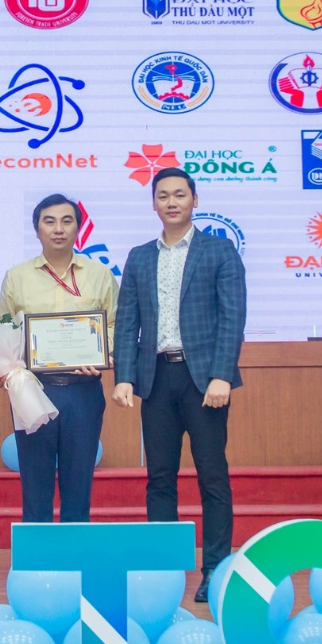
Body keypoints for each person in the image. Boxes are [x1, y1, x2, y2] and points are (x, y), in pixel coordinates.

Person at [111, 168, 246, 602]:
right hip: (155, 377)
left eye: (180, 195)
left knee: (212, 476)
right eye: (163, 196)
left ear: (194, 200)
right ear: (153, 203)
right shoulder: (139, 257)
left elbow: (232, 317)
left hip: (204, 380)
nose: (171, 202)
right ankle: (163, 570)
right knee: (159, 478)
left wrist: (222, 374)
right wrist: (124, 377)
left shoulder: (219, 251)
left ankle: (215, 570)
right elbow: (127, 321)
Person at [0, 194, 118, 523]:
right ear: (37, 230)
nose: (58, 229)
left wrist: (101, 354)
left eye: (67, 221)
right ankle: (37, 553)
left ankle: (73, 551)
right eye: (49, 222)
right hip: (32, 390)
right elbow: (2, 328)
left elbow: (116, 324)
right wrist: (2, 366)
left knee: (79, 482)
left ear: (78, 228)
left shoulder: (100, 274)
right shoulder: (17, 276)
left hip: (83, 390)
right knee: (35, 483)